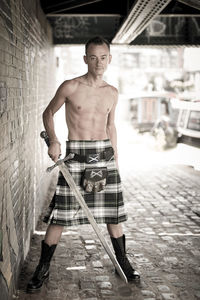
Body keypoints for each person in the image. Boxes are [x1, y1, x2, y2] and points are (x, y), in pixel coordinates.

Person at [27, 36, 140, 293]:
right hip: (76, 157)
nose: (98, 62)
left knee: (114, 213)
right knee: (61, 216)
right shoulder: (70, 86)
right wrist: (53, 140)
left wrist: (116, 158)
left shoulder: (112, 92)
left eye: (103, 57)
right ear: (85, 59)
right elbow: (47, 113)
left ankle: (122, 262)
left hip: (104, 156)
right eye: (93, 57)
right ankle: (42, 269)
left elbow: (111, 126)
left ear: (109, 59)